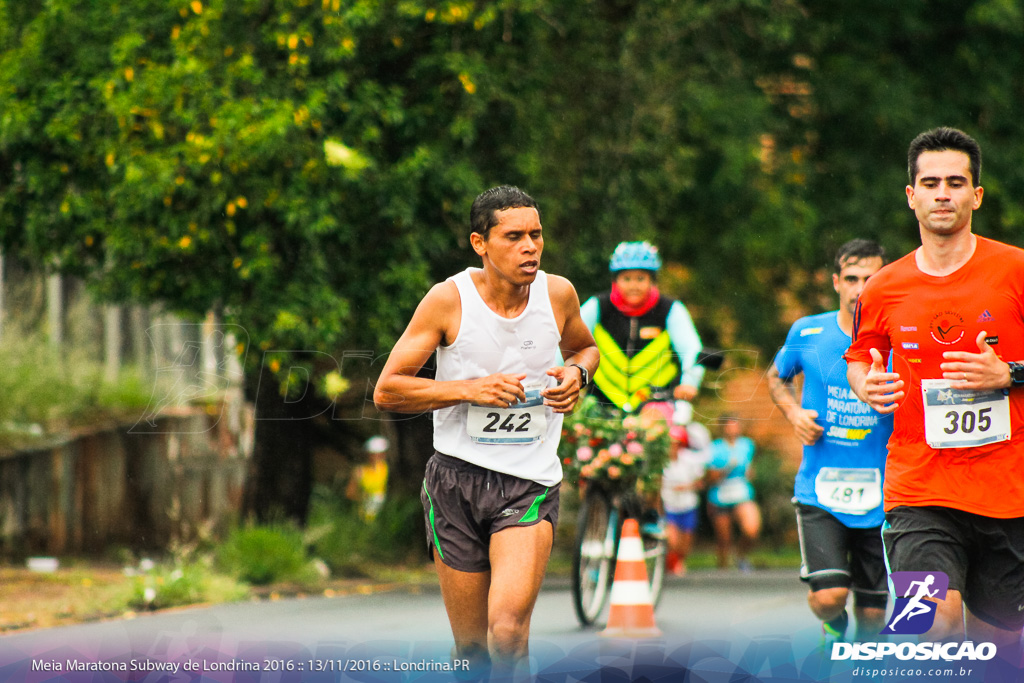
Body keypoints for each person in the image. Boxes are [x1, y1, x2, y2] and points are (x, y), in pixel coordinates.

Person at [373, 185, 599, 680]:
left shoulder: (557, 294)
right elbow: (388, 390)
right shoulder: (447, 301)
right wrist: (469, 389)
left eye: (536, 235)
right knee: (473, 649)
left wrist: (578, 375)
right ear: (480, 242)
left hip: (528, 482)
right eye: (514, 236)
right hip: (454, 482)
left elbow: (586, 348)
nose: (530, 247)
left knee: (508, 633)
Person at [846, 127, 1024, 657]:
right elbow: (859, 355)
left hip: (1008, 492)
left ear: (976, 195)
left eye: (955, 182)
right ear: (911, 195)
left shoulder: (1015, 269)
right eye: (930, 182)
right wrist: (867, 384)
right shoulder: (883, 287)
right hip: (919, 490)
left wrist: (1009, 374)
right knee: (926, 629)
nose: (942, 193)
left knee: (1003, 653)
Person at [768, 239, 892, 643]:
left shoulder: (898, 336)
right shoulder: (809, 331)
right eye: (852, 279)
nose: (860, 289)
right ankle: (832, 625)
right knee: (829, 597)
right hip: (820, 489)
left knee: (874, 616)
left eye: (870, 279)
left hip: (884, 492)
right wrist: (794, 413)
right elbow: (776, 377)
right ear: (836, 282)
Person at [580, 241, 704, 412]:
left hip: (655, 405)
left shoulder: (671, 310)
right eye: (626, 278)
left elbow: (691, 349)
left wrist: (690, 383)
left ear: (652, 280)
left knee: (687, 435)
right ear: (615, 281)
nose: (633, 286)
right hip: (601, 405)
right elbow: (568, 340)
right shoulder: (597, 306)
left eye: (640, 278)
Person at [659, 401, 711, 577]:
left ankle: (677, 560)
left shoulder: (689, 459)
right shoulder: (662, 463)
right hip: (670, 505)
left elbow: (700, 479)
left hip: (687, 503)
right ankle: (671, 561)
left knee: (686, 541)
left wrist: (687, 486)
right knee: (672, 539)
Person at [705, 415, 761, 571]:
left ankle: (741, 556)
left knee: (752, 528)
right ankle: (723, 570)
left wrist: (750, 473)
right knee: (724, 539)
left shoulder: (747, 445)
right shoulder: (715, 447)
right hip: (720, 496)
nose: (733, 429)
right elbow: (710, 477)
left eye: (736, 426)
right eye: (730, 426)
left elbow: (749, 468)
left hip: (741, 493)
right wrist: (727, 468)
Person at [346, 436, 390, 522]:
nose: (381, 456)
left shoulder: (383, 467)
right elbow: (349, 493)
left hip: (381, 514)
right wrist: (364, 498)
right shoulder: (359, 472)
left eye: (382, 453)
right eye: (376, 454)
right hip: (364, 517)